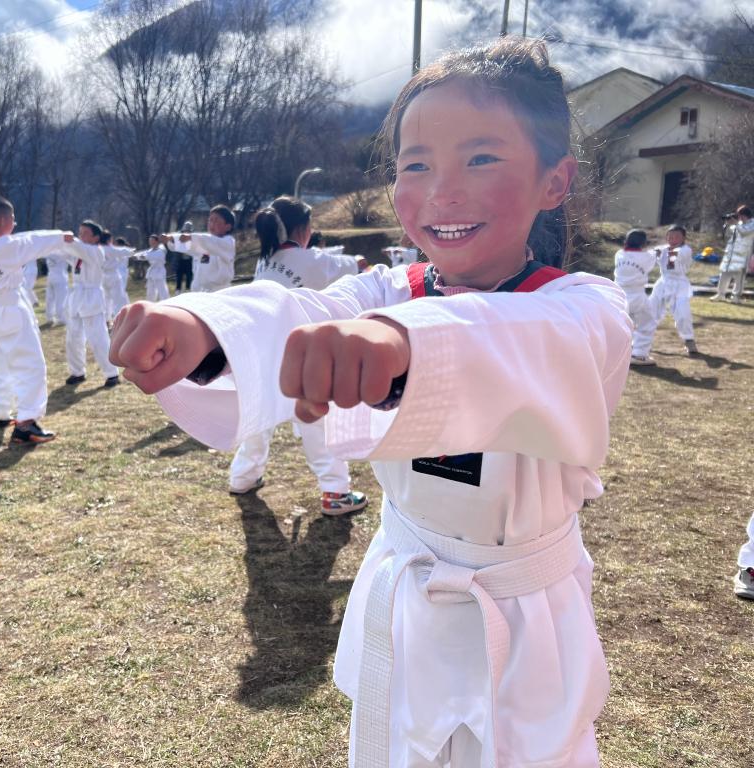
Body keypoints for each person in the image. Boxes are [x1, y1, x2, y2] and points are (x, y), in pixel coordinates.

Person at [111, 39, 632, 766]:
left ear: (555, 180)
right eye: (416, 164)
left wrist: (402, 347)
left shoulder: (585, 308)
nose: (443, 190)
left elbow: (532, 343)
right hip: (407, 593)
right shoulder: (388, 291)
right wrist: (207, 332)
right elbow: (303, 311)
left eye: (481, 158)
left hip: (523, 620)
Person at [227, 196, 370, 515]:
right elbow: (355, 266)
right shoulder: (314, 261)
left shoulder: (266, 260)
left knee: (257, 419)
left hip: (262, 351)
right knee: (318, 425)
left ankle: (242, 477)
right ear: (303, 228)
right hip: (304, 357)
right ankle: (335, 493)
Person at [0, 195, 72, 443]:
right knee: (31, 366)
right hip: (10, 312)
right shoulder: (5, 248)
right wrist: (60, 237)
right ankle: (26, 423)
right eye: (12, 218)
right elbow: (31, 241)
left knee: (4, 368)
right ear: (3, 219)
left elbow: (23, 240)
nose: (14, 223)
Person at [63, 220, 121, 388]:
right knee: (72, 337)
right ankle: (77, 371)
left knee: (98, 337)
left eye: (85, 233)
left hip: (91, 296)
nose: (80, 236)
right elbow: (64, 250)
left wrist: (67, 240)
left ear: (96, 238)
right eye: (79, 233)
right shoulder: (79, 251)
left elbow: (76, 247)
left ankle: (112, 373)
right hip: (77, 296)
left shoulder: (96, 251)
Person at [649, 224, 698, 355]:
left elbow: (674, 255)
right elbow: (649, 256)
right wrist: (654, 253)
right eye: (670, 236)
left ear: (683, 238)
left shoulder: (686, 250)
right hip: (663, 282)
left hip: (679, 284)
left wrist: (661, 252)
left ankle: (689, 340)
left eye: (677, 236)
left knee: (683, 313)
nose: (673, 239)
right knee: (651, 310)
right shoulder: (662, 249)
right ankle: (642, 341)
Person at [613, 228, 658, 366]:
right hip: (637, 295)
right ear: (643, 244)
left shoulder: (619, 254)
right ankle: (639, 354)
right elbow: (653, 255)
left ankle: (616, 353)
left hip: (618, 295)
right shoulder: (646, 257)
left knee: (622, 324)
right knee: (647, 322)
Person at [165, 205, 236, 292]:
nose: (211, 224)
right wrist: (172, 239)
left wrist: (190, 237)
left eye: (216, 220)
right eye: (210, 220)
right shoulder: (204, 243)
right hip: (200, 290)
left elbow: (209, 241)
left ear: (228, 227)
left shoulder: (227, 242)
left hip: (220, 291)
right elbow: (188, 246)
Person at [712, 206, 754, 303]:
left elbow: (744, 232)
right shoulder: (739, 224)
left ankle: (736, 297)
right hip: (730, 254)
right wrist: (727, 224)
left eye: (739, 215)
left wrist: (736, 224)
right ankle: (720, 294)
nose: (739, 218)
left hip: (742, 254)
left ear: (744, 215)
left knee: (739, 276)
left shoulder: (752, 224)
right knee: (724, 274)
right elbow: (728, 236)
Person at [101, 234, 133, 323]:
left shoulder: (98, 249)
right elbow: (126, 251)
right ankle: (121, 319)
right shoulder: (111, 249)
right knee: (118, 298)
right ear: (108, 240)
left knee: (106, 298)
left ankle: (106, 318)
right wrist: (133, 251)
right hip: (113, 275)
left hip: (103, 276)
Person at [139, 234, 170, 302]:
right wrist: (136, 256)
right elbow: (144, 254)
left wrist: (143, 257)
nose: (151, 242)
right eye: (150, 241)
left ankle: (167, 304)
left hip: (159, 272)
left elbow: (152, 256)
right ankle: (150, 304)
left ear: (157, 241)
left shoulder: (161, 249)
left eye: (152, 241)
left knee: (162, 290)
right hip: (151, 272)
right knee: (150, 291)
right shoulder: (150, 250)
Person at [44, 253, 70, 325]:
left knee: (50, 298)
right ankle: (61, 318)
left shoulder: (48, 251)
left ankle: (49, 317)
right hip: (60, 277)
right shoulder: (62, 251)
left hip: (50, 276)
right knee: (61, 299)